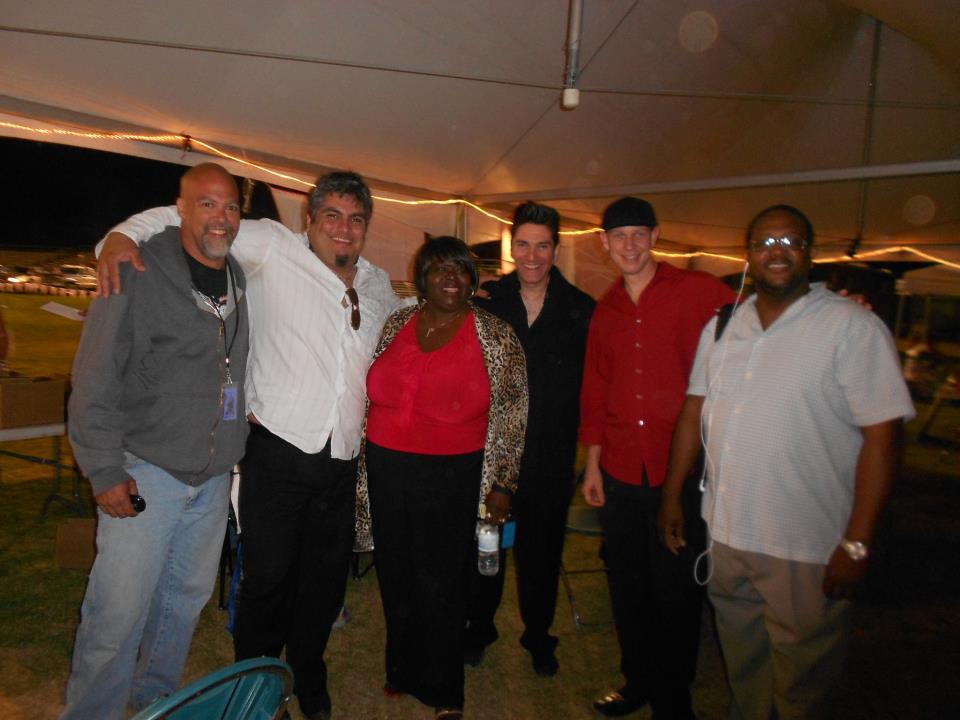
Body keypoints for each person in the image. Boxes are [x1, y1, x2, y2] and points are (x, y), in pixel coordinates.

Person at [97, 171, 400, 720]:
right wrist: (121, 235)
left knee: (324, 584)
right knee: (268, 582)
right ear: (310, 219)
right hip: (277, 452)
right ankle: (257, 686)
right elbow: (191, 217)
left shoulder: (379, 286)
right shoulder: (273, 247)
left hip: (341, 459)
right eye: (332, 215)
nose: (344, 228)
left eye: (356, 219)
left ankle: (308, 672)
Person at [658, 205, 915, 719]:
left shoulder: (851, 326)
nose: (776, 253)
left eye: (789, 242)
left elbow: (883, 439)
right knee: (745, 667)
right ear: (748, 255)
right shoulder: (724, 326)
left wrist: (858, 543)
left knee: (804, 685)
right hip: (727, 537)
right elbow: (694, 410)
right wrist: (671, 497)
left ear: (810, 253)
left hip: (805, 545)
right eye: (764, 243)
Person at [62, 163, 249, 720]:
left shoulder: (238, 275)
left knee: (181, 605)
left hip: (211, 479)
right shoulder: (137, 269)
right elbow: (94, 375)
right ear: (181, 209)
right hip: (146, 472)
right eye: (207, 204)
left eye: (231, 205)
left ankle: (154, 703)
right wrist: (104, 470)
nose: (221, 217)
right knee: (117, 614)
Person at [356, 236, 528, 720]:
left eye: (460, 269)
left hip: (452, 474)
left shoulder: (495, 334)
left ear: (472, 280)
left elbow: (513, 413)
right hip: (387, 470)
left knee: (442, 583)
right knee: (396, 574)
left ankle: (445, 689)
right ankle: (401, 668)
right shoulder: (398, 323)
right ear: (422, 278)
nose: (451, 278)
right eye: (439, 269)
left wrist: (503, 483)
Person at [579, 197, 736, 719]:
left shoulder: (696, 290)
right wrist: (594, 464)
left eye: (638, 234)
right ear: (604, 244)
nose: (629, 245)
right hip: (621, 471)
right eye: (618, 236)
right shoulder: (606, 310)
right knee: (627, 585)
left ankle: (674, 699)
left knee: (676, 592)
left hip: (682, 473)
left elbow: (754, 317)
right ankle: (637, 681)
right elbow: (596, 390)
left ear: (655, 236)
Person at [463, 201, 594, 675]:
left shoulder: (581, 310)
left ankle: (538, 634)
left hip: (551, 459)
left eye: (542, 246)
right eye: (523, 245)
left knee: (541, 556)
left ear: (556, 250)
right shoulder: (489, 302)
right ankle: (479, 627)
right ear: (512, 247)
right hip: (493, 456)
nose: (532, 256)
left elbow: (594, 391)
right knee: (487, 550)